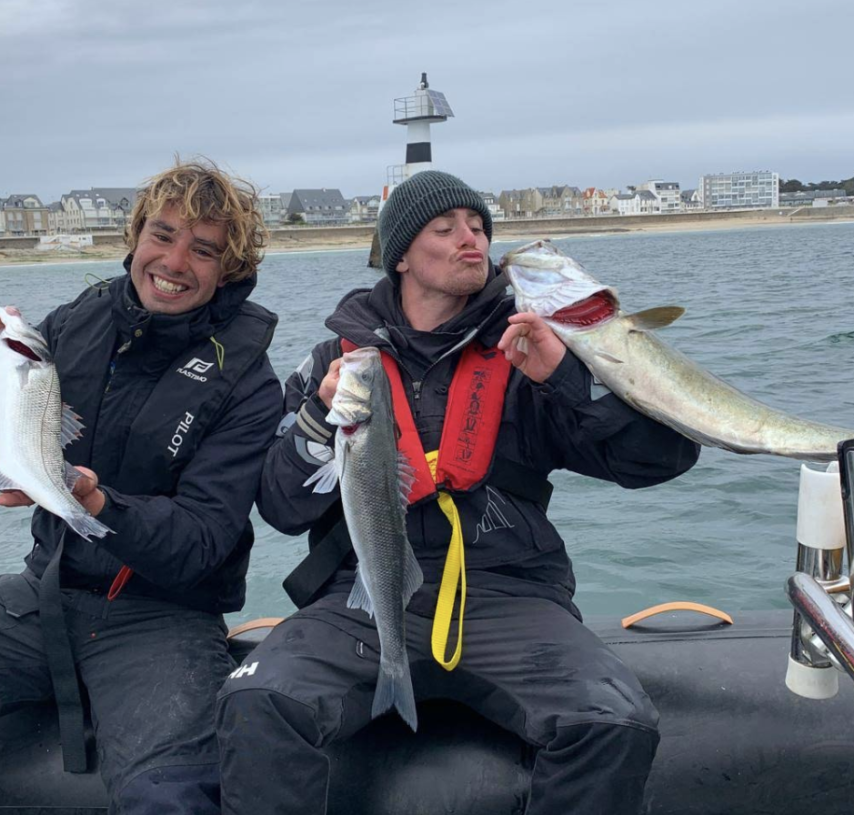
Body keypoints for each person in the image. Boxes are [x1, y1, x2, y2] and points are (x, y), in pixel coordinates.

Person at [215, 170, 700, 814]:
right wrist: (314, 421)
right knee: (256, 702)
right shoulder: (335, 361)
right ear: (402, 257)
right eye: (444, 229)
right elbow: (279, 506)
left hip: (509, 591)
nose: (470, 239)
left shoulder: (529, 348)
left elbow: (661, 460)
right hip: (362, 595)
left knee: (613, 720)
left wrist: (566, 380)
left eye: (478, 227)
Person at [0, 160, 282, 814]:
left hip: (164, 620)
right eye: (162, 234)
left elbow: (202, 541)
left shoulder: (252, 384)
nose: (174, 260)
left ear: (227, 268)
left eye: (202, 249)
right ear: (135, 235)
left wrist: (93, 499)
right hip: (42, 598)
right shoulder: (69, 325)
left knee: (169, 796)